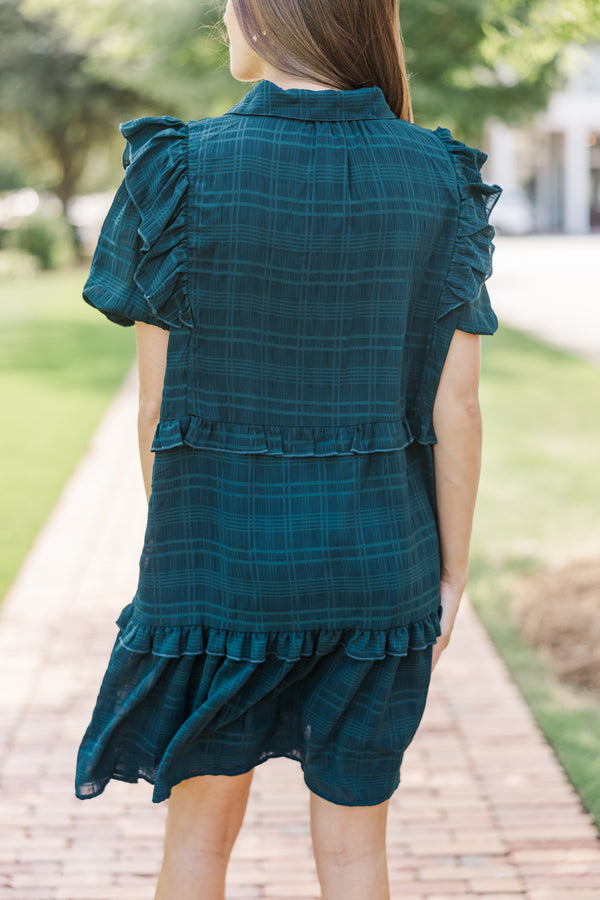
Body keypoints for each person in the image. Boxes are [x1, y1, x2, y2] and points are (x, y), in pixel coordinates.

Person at [75, 0, 502, 897]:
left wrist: (197, 557)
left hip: (220, 567)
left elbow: (156, 410)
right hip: (380, 567)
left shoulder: (176, 168)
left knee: (195, 850)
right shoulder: (440, 177)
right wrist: (451, 574)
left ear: (267, 19)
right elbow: (457, 406)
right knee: (353, 856)